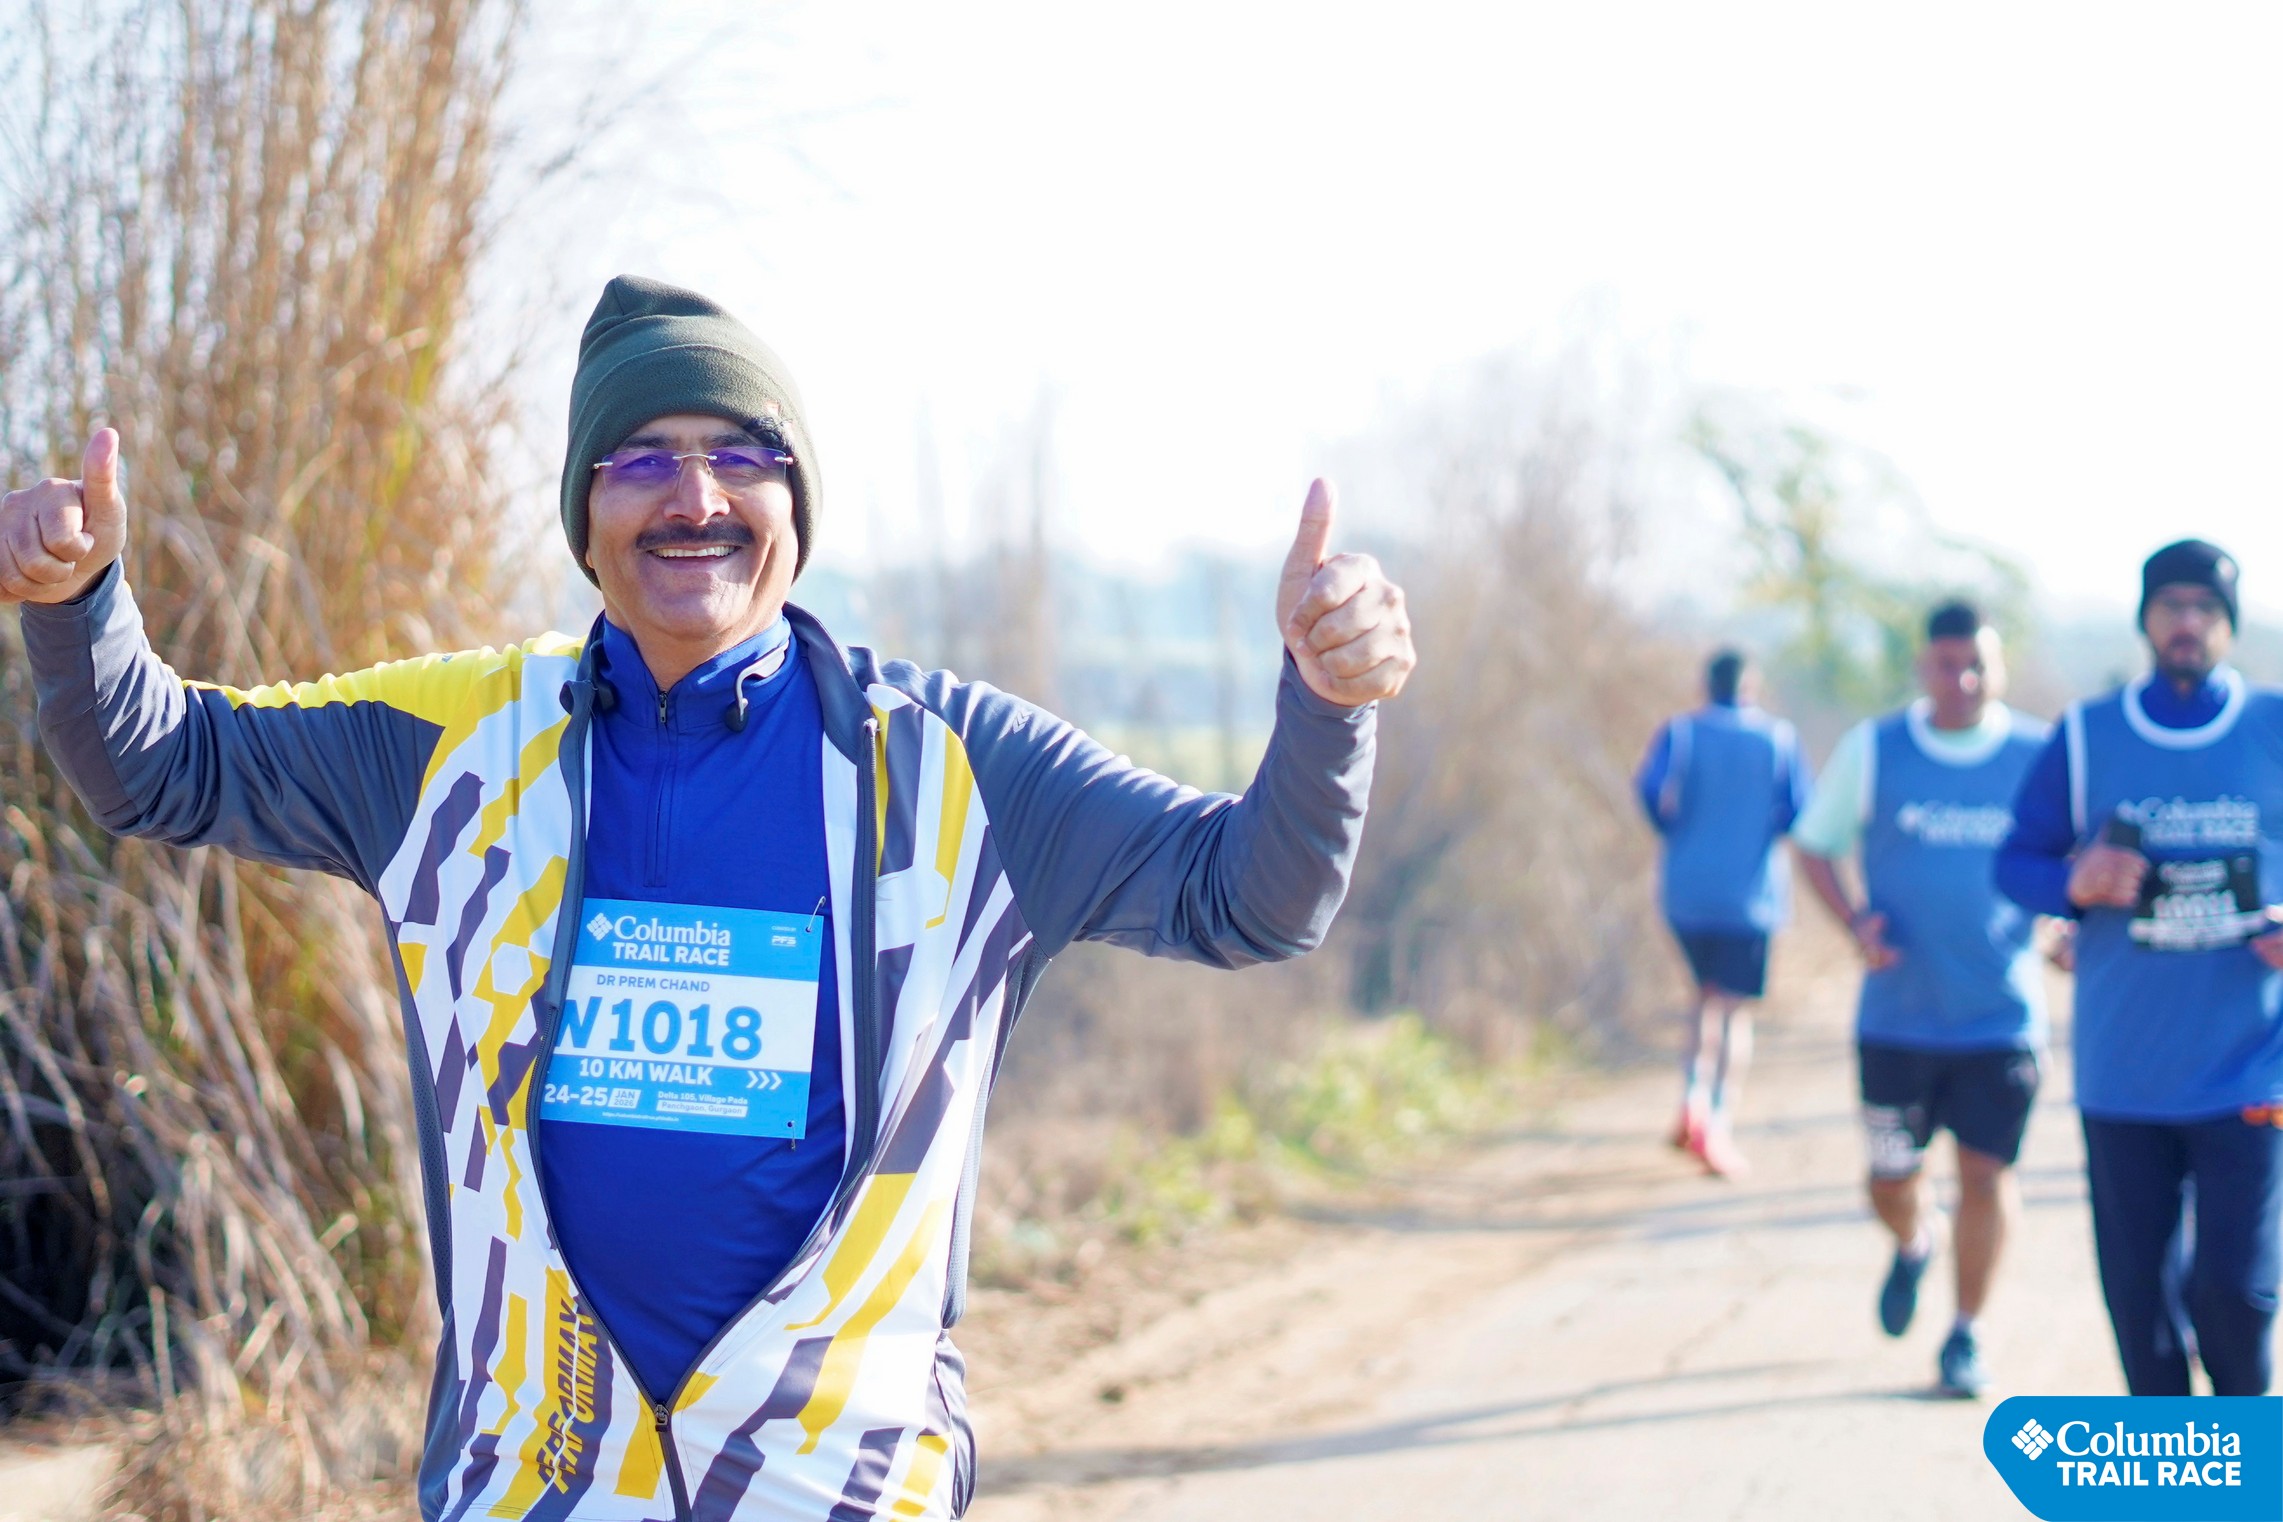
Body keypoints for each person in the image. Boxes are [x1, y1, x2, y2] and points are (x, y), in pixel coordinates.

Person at [0, 276, 1416, 1520]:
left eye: (742, 456)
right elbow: (160, 763)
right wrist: (77, 599)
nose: (693, 499)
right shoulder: (450, 744)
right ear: (585, 516)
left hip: (838, 1488)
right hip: (536, 1482)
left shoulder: (954, 768)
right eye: (640, 460)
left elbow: (1252, 895)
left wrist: (1327, 704)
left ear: (796, 507)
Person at [1996, 539, 2283, 1397]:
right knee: (2140, 1310)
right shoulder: (2087, 735)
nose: (2186, 622)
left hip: (2250, 1068)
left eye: (2204, 607)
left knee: (2235, 1298)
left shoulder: (2271, 726)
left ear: (2228, 623)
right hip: (2124, 1073)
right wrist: (2072, 882)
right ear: (2144, 620)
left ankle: (2242, 1462)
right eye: (2170, 606)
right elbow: (2012, 862)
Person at [1792, 601, 2050, 1398]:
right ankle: (1912, 1242)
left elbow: (2077, 856)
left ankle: (1964, 1334)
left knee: (1985, 1176)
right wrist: (1853, 922)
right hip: (1897, 1019)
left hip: (2000, 1019)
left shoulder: (2037, 755)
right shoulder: (1876, 749)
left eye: (1977, 665)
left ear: (1997, 668)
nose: (1962, 680)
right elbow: (1813, 842)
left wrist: (2065, 923)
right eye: (1946, 664)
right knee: (1889, 1179)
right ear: (1922, 666)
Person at [1635, 648, 1808, 1177]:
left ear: (1706, 684)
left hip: (1686, 891)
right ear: (1750, 686)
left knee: (1703, 997)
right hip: (1748, 896)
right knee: (1731, 1010)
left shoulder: (1681, 732)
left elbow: (1648, 790)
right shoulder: (1777, 738)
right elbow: (1799, 810)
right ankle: (1717, 1120)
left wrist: (1678, 830)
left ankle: (1691, 1097)